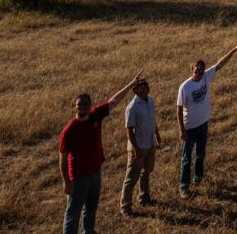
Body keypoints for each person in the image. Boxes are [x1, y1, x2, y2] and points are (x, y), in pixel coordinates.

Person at [59, 69, 143, 234]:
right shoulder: (69, 130)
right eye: (79, 104)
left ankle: (88, 231)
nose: (82, 107)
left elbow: (114, 101)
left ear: (90, 106)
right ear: (75, 107)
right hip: (78, 177)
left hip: (96, 172)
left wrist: (131, 85)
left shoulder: (95, 115)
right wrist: (66, 181)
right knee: (72, 213)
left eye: (85, 104)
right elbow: (62, 159)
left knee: (91, 207)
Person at [177, 39, 237, 197]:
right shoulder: (185, 87)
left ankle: (198, 178)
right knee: (187, 158)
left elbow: (221, 63)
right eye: (196, 70)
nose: (199, 73)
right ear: (191, 70)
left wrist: (235, 49)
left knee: (200, 154)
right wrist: (182, 130)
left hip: (203, 125)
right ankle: (183, 186)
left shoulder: (206, 77)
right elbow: (179, 111)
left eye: (201, 70)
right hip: (189, 127)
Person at [120, 76, 162, 216]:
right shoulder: (131, 107)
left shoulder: (150, 100)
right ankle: (125, 206)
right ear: (135, 90)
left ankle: (144, 197)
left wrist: (157, 134)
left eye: (145, 86)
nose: (144, 89)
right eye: (140, 87)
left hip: (150, 143)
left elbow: (152, 120)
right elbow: (129, 131)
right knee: (131, 177)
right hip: (138, 147)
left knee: (147, 171)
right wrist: (136, 149)